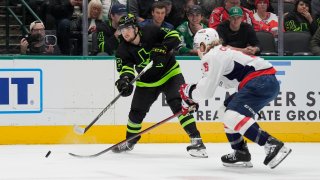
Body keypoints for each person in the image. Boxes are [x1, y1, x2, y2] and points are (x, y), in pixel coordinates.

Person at [179, 28, 292, 169]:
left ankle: (271, 143)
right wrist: (192, 97)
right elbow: (207, 86)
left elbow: (206, 91)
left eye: (197, 46)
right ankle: (240, 152)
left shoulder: (212, 55)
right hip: (265, 82)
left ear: (203, 45)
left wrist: (188, 92)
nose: (197, 51)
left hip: (260, 81)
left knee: (232, 115)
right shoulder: (219, 53)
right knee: (225, 111)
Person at [111, 14, 207, 158]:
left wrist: (163, 47)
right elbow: (126, 68)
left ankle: (197, 140)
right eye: (122, 29)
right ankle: (130, 140)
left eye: (128, 28)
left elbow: (174, 35)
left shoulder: (151, 30)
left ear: (136, 27)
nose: (125, 33)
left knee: (179, 104)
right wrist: (125, 80)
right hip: (146, 81)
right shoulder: (122, 49)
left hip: (170, 74)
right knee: (136, 112)